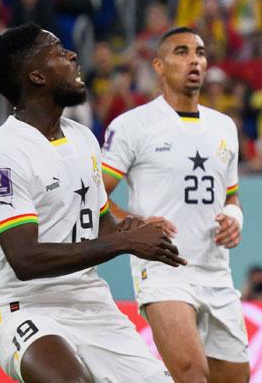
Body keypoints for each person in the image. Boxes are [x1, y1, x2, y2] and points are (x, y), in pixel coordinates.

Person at [0, 23, 182, 382]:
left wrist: (135, 228)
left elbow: (100, 226)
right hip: (23, 306)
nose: (71, 55)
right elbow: (25, 259)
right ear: (36, 76)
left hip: (91, 303)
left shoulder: (83, 138)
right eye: (57, 51)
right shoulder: (3, 152)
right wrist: (124, 241)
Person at [101, 28, 249, 383]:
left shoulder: (224, 127)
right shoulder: (133, 126)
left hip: (215, 270)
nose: (193, 60)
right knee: (191, 374)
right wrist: (132, 224)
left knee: (234, 378)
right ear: (159, 66)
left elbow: (231, 195)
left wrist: (234, 216)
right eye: (181, 52)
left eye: (199, 52)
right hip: (163, 267)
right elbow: (93, 194)